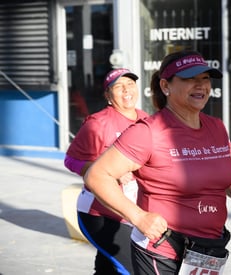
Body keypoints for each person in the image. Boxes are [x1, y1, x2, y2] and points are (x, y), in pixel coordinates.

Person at [84, 50, 231, 274]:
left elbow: (228, 171)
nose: (200, 85)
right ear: (165, 86)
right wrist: (139, 217)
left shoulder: (217, 127)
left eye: (205, 79)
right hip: (162, 251)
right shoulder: (148, 132)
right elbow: (97, 176)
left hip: (208, 252)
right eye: (190, 79)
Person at [64, 68, 148, 275]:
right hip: (99, 213)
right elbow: (71, 160)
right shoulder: (98, 123)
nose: (126, 90)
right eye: (119, 87)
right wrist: (110, 172)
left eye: (130, 84)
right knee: (134, 269)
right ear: (108, 96)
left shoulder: (146, 119)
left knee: (108, 269)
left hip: (132, 212)